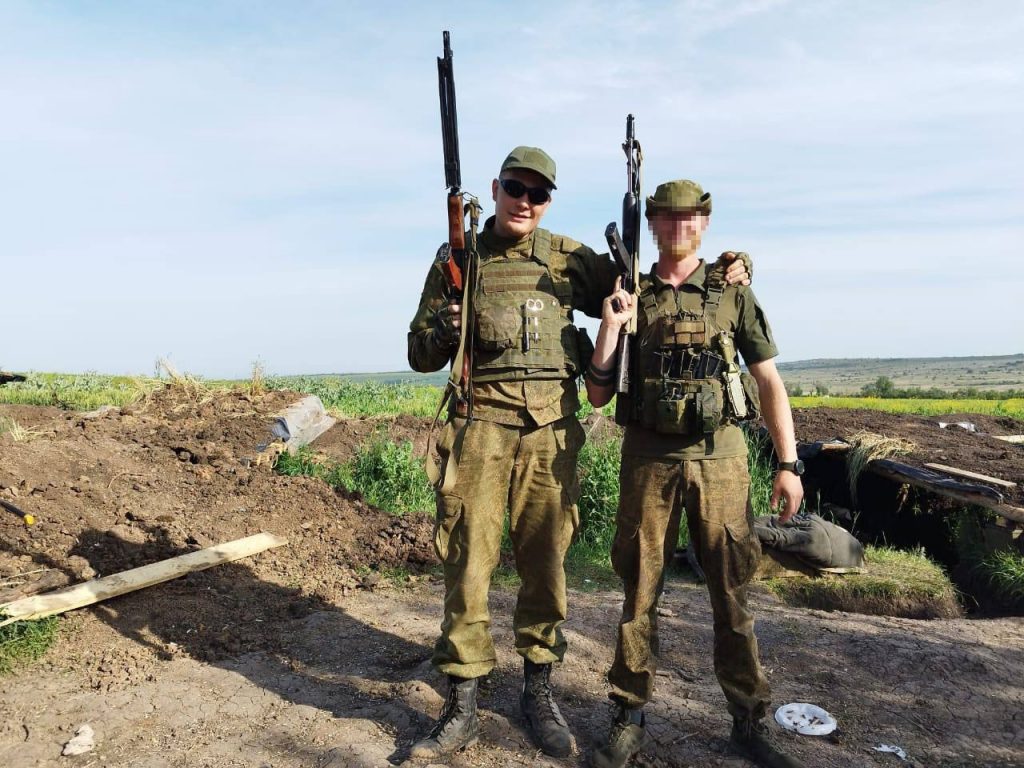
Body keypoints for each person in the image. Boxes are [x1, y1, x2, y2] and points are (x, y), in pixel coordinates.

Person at [406, 150, 750, 760]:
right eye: (515, 189)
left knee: (546, 562)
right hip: (479, 427)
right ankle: (461, 702)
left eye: (538, 194)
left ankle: (537, 690)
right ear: (496, 187)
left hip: (550, 432)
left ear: (548, 202)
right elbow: (418, 352)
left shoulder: (568, 259)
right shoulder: (458, 258)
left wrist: (731, 266)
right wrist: (443, 327)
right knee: (469, 563)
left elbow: (644, 286)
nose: (524, 202)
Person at [586, 180, 805, 768]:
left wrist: (788, 464)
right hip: (648, 460)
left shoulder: (733, 291)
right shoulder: (631, 289)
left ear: (704, 225)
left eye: (689, 217)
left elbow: (767, 381)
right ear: (652, 224)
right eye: (667, 217)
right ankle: (628, 715)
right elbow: (599, 393)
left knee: (732, 593)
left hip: (723, 460)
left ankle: (748, 721)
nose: (678, 226)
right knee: (639, 593)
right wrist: (612, 325)